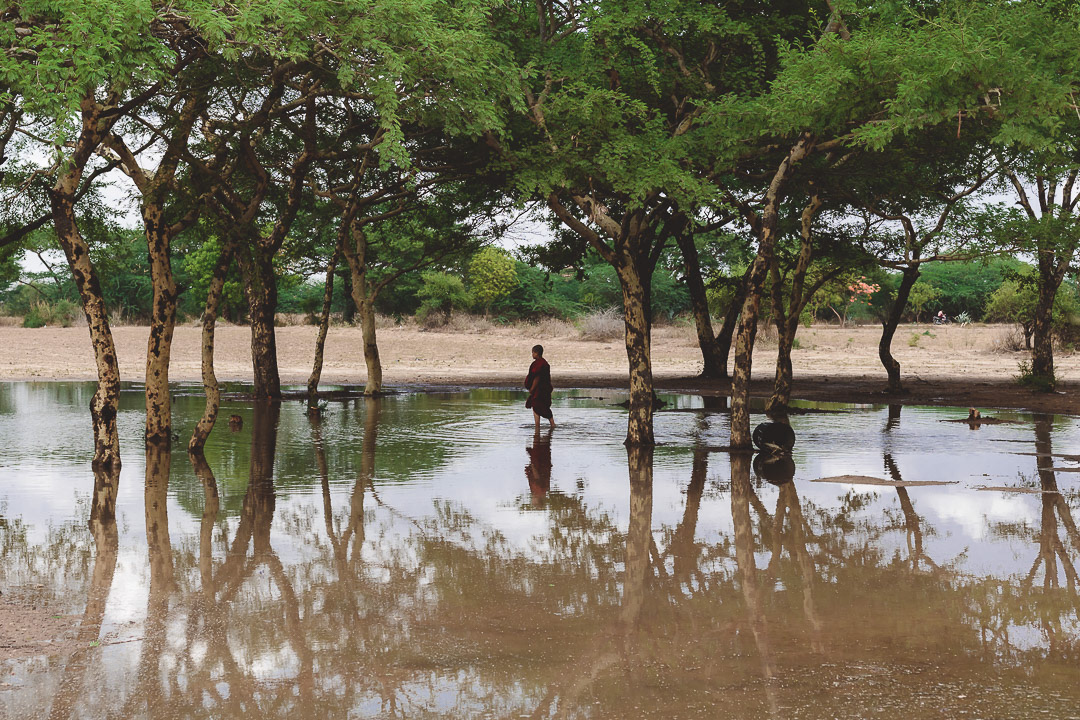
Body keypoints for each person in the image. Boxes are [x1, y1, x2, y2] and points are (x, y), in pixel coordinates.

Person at [524, 344, 555, 429]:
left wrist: (532, 388)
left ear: (537, 353)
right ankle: (540, 426)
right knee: (538, 406)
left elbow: (537, 377)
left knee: (538, 406)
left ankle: (545, 425)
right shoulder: (544, 363)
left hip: (540, 390)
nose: (532, 354)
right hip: (543, 389)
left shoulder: (539, 364)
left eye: (533, 352)